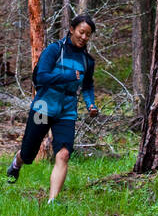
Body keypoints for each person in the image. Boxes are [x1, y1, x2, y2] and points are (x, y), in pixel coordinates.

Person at [6, 14, 100, 203]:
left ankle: (52, 202)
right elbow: (41, 77)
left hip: (67, 110)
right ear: (72, 29)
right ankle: (17, 163)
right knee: (29, 153)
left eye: (88, 35)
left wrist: (91, 103)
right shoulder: (54, 50)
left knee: (64, 153)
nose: (84, 37)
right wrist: (67, 77)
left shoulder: (87, 61)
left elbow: (87, 86)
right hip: (43, 106)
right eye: (81, 32)